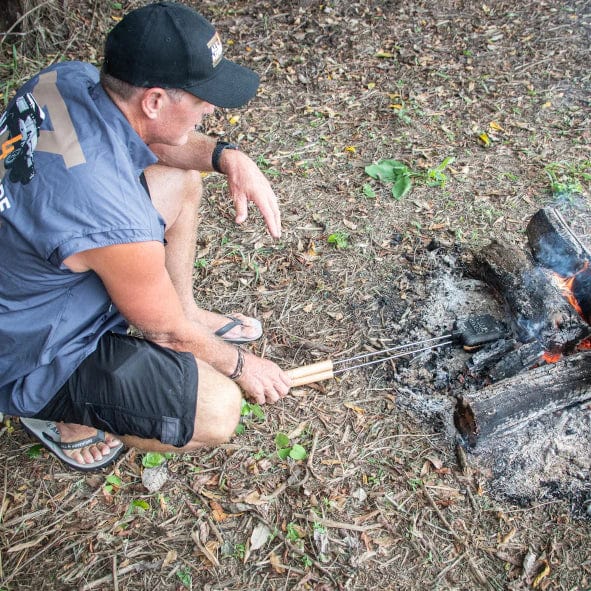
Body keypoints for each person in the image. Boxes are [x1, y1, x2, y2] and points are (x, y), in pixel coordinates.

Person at [0, 1, 292, 471]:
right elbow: (164, 331)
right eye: (200, 98)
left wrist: (226, 156)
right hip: (25, 348)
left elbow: (156, 143)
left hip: (28, 266)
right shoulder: (112, 217)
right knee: (218, 408)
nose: (209, 108)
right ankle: (57, 415)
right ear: (154, 100)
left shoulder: (67, 79)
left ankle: (192, 307)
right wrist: (242, 367)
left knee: (180, 181)